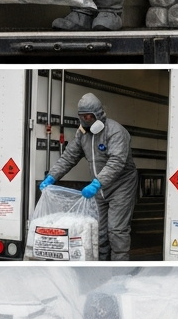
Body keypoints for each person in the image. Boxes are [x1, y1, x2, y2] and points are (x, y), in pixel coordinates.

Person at [39, 93, 137, 260]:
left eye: (89, 116)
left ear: (98, 115)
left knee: (116, 230)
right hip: (99, 188)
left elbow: (117, 162)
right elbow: (69, 157)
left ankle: (120, 269)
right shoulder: (82, 135)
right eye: (82, 116)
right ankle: (102, 267)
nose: (85, 120)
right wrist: (52, 177)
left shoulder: (115, 132)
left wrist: (96, 183)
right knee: (98, 230)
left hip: (121, 186)